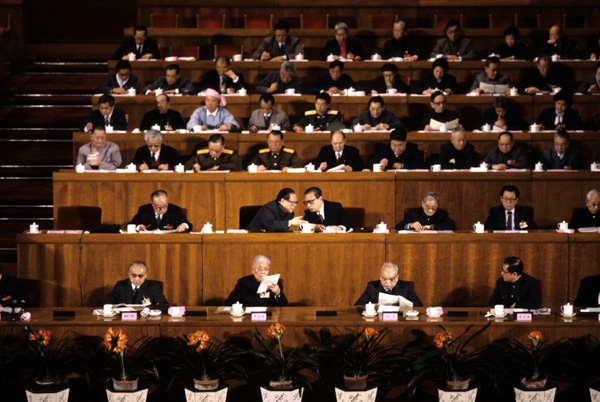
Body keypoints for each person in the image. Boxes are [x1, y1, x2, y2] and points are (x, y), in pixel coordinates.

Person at [355, 262, 423, 307]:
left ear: (397, 277)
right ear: (380, 277)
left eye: (391, 279)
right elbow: (358, 305)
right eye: (384, 279)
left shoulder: (406, 286)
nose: (388, 282)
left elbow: (419, 305)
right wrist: (372, 306)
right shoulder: (372, 287)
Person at [102, 261, 168, 305]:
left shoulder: (154, 287)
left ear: (146, 275)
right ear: (129, 274)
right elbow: (107, 302)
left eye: (140, 276)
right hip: (124, 319)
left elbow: (163, 304)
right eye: (133, 275)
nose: (137, 279)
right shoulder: (120, 285)